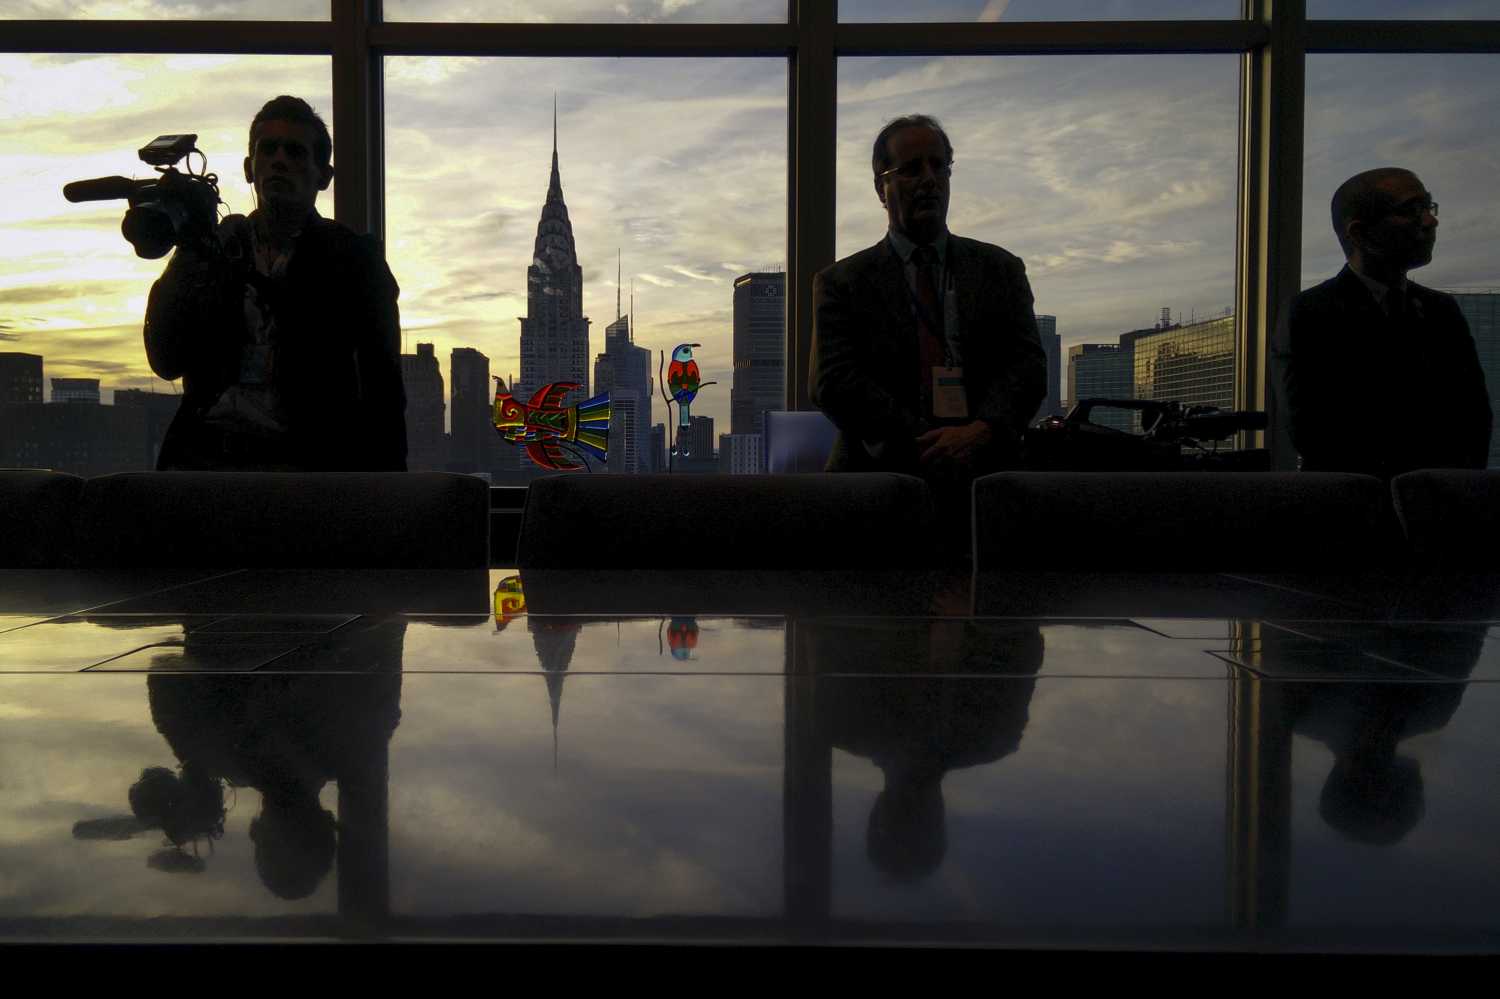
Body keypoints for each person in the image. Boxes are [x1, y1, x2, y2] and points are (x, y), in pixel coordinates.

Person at [144, 95, 406, 471]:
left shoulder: (354, 260)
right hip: (203, 462)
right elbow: (166, 359)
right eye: (268, 150)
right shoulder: (214, 249)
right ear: (250, 168)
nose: (279, 160)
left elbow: (384, 391)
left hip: (304, 470)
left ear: (323, 176)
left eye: (296, 152)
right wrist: (188, 251)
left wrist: (386, 495)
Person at [810, 114, 1046, 482]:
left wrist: (980, 432)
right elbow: (833, 383)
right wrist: (931, 443)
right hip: (877, 475)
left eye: (939, 166)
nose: (929, 180)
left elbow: (1027, 367)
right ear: (880, 188)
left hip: (988, 471)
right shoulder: (843, 282)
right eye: (911, 169)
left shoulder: (1000, 269)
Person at [1273, 167, 1490, 478]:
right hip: (1359, 509)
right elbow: (1314, 433)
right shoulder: (1308, 313)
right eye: (1411, 210)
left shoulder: (1442, 308)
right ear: (1359, 233)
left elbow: (1475, 416)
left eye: (1427, 207)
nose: (1430, 221)